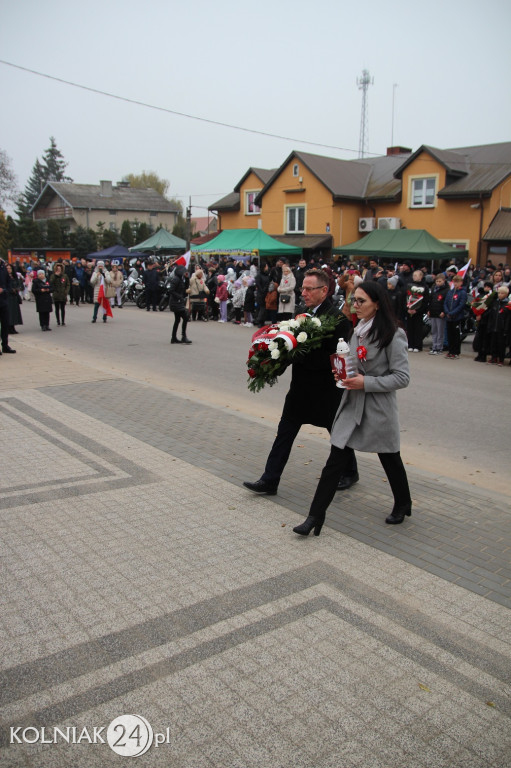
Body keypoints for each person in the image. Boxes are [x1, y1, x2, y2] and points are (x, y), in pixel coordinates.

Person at [293, 281, 411, 537]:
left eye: (360, 301)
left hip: (378, 407)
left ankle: (403, 502)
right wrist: (343, 370)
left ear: (377, 304)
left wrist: (365, 382)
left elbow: (402, 377)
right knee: (335, 460)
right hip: (352, 405)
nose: (354, 306)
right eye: (353, 300)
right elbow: (354, 362)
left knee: (389, 457)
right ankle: (315, 516)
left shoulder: (393, 333)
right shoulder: (358, 329)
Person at [243, 268, 358, 497]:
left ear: (324, 290)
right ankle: (269, 479)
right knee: (284, 432)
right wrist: (274, 360)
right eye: (302, 288)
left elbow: (337, 359)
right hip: (299, 391)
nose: (303, 292)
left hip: (325, 393)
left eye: (308, 288)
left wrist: (298, 353)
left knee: (337, 434)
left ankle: (350, 471)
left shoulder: (338, 320)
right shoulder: (300, 314)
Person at [444, 275, 467, 359]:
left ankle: (456, 352)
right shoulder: (450, 292)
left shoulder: (462, 293)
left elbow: (461, 305)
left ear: (461, 283)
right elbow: (445, 303)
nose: (456, 283)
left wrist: (453, 313)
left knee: (456, 335)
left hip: (457, 317)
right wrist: (447, 312)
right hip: (449, 317)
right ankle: (450, 351)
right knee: (449, 334)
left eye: (458, 282)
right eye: (455, 282)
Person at [169, 265, 192, 344]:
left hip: (178, 302)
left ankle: (174, 337)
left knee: (177, 320)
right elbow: (171, 290)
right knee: (185, 317)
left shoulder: (181, 279)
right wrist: (179, 297)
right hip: (175, 302)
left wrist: (187, 278)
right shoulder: (176, 279)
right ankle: (183, 336)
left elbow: (185, 288)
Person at [0, 258, 17, 354]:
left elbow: (8, 283)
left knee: (5, 323)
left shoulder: (3, 267)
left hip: (3, 300)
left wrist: (5, 290)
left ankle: (5, 345)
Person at [5, 263, 23, 334]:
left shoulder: (15, 277)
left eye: (10, 268)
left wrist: (17, 289)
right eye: (7, 268)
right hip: (8, 297)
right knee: (9, 313)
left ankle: (13, 327)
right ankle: (8, 327)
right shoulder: (4, 277)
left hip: (14, 297)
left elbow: (19, 284)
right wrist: (11, 290)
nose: (9, 270)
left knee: (14, 313)